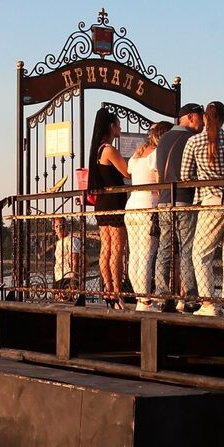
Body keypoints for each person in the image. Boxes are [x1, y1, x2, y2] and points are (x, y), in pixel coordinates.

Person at [181, 101, 224, 316]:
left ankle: (208, 303)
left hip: (210, 202)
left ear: (206, 118)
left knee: (200, 253)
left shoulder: (194, 142)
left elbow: (185, 177)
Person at [154, 103, 204, 309]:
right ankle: (191, 297)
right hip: (184, 198)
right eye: (201, 118)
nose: (202, 123)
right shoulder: (191, 139)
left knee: (164, 248)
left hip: (164, 200)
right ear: (192, 117)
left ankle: (162, 294)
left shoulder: (163, 138)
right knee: (187, 248)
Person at [86, 106, 131, 307]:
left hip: (102, 205)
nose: (120, 128)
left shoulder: (96, 150)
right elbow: (127, 172)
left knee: (106, 248)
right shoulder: (109, 150)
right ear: (111, 127)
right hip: (114, 203)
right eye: (118, 125)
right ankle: (116, 290)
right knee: (118, 249)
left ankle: (108, 288)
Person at [124, 123, 165, 310]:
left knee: (135, 256)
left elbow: (130, 172)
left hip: (131, 204)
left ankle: (141, 298)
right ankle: (146, 300)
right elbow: (158, 181)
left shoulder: (136, 155)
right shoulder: (155, 154)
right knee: (148, 256)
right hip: (148, 205)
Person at [52, 214, 83, 295]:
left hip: (68, 277)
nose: (59, 229)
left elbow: (75, 262)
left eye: (62, 226)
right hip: (58, 277)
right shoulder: (59, 243)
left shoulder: (72, 240)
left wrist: (73, 282)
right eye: (56, 226)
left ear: (67, 227)